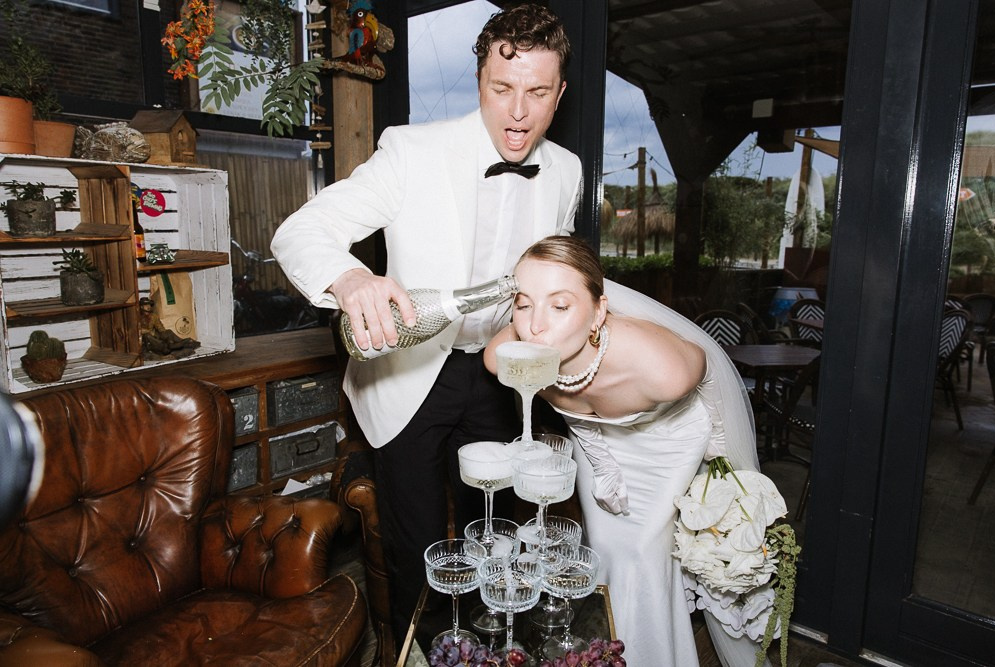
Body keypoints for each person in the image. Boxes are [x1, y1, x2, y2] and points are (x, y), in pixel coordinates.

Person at [270, 4, 581, 643]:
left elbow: (556, 272)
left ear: (560, 94)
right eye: (502, 89)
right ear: (479, 83)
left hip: (500, 372)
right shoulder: (412, 152)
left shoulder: (568, 171)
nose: (518, 112)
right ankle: (423, 651)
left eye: (537, 93)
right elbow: (301, 230)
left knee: (492, 536)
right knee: (418, 555)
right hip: (411, 373)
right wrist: (351, 279)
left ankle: (492, 646)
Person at [485, 236, 768, 667]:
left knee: (641, 553)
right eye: (523, 305)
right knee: (603, 547)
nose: (535, 326)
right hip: (594, 438)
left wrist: (720, 464)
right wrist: (601, 461)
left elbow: (711, 383)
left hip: (667, 437)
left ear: (598, 312)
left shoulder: (663, 369)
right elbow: (573, 409)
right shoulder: (511, 357)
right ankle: (600, 652)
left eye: (560, 306)